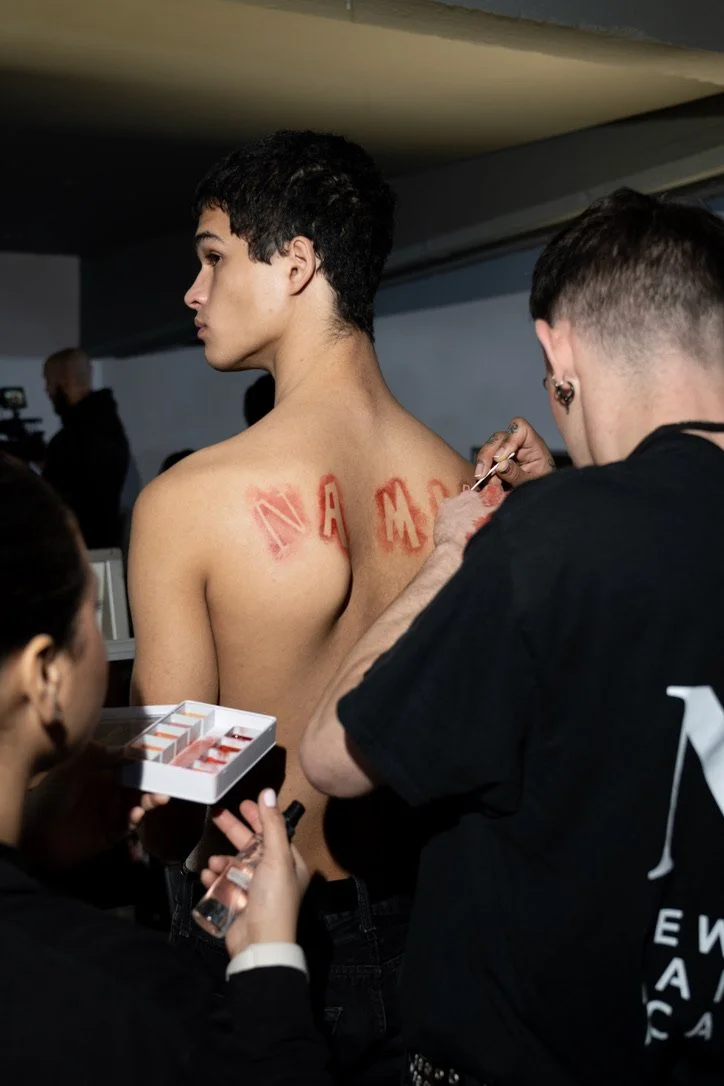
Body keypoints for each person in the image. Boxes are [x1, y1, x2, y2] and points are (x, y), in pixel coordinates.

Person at [301, 189, 724, 1084]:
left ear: (556, 348)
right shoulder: (569, 527)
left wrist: (451, 556)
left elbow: (336, 753)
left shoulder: (547, 543)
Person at [128, 130, 474, 1083]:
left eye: (211, 259)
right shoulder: (461, 487)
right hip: (427, 922)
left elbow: (174, 815)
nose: (191, 294)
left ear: (296, 265)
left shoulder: (187, 502)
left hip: (255, 925)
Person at [0, 451, 331, 1086]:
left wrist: (34, 846)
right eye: (93, 613)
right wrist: (267, 965)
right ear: (45, 675)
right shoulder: (118, 999)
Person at [42, 347, 130, 549]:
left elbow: (54, 506)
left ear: (65, 381)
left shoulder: (72, 440)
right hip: (102, 547)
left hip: (79, 551)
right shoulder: (108, 426)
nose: (47, 390)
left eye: (48, 381)